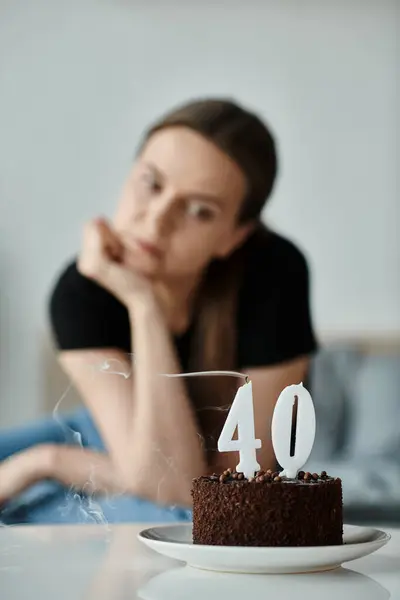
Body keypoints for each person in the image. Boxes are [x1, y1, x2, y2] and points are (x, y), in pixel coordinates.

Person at [0, 98, 317, 524]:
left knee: (173, 519)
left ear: (234, 236)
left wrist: (142, 303)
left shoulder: (274, 275)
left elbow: (211, 491)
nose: (156, 221)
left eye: (199, 210)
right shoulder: (81, 293)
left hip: (186, 477)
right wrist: (41, 457)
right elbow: (150, 467)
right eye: (151, 183)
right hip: (107, 435)